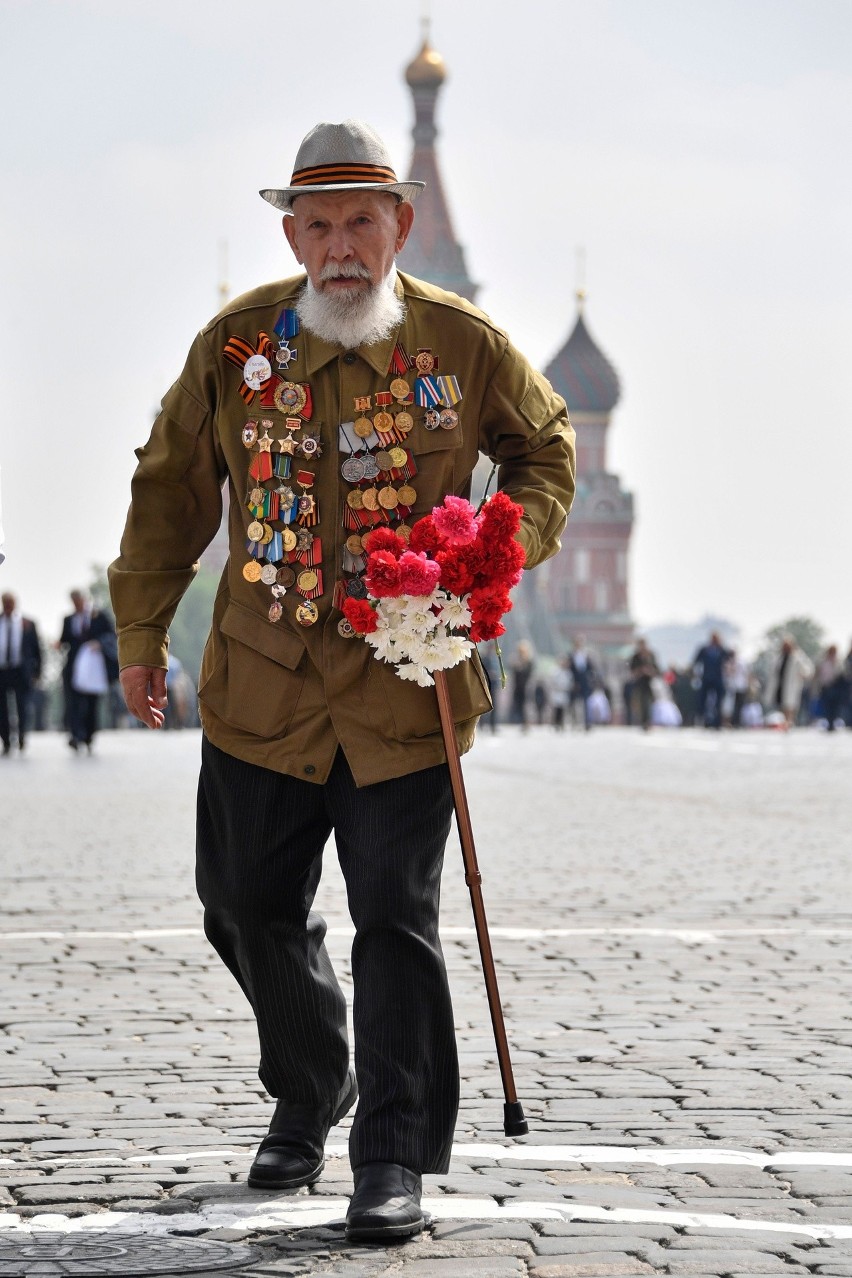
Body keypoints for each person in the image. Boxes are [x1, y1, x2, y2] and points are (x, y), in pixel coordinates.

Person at [107, 120, 575, 1242]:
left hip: (403, 685)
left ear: (400, 225)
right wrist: (139, 628)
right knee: (243, 907)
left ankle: (392, 1160)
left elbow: (546, 451)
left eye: (363, 220)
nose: (341, 246)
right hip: (262, 684)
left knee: (394, 922)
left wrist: (488, 554)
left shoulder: (463, 345)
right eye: (318, 224)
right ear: (292, 232)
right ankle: (315, 1083)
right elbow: (172, 484)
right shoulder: (234, 344)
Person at [58, 590, 119, 752]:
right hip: (75, 665)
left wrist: (99, 643)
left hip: (95, 666)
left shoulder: (99, 616)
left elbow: (112, 635)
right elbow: (64, 639)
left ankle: (89, 735)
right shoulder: (69, 619)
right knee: (73, 702)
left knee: (92, 702)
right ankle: (75, 734)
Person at [0, 592, 42, 755]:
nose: (8, 606)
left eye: (11, 603)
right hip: (2, 671)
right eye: (5, 603)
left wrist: (37, 672)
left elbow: (37, 651)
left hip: (20, 671)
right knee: (2, 709)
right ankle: (6, 740)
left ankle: (22, 736)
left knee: (22, 706)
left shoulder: (27, 623)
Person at [764, 636, 814, 728]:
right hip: (781, 685)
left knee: (791, 705)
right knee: (783, 704)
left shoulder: (798, 657)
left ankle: (789, 721)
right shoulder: (779, 657)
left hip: (792, 685)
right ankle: (786, 721)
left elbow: (808, 669)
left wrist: (803, 675)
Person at [691, 630, 731, 729]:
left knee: (719, 701)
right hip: (706, 677)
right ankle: (704, 720)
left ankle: (717, 722)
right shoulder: (704, 649)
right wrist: (695, 674)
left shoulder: (722, 650)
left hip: (718, 678)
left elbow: (729, 660)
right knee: (702, 700)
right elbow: (696, 661)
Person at [628, 637, 659, 731]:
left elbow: (657, 670)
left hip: (649, 683)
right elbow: (632, 671)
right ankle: (643, 722)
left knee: (648, 703)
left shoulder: (651, 655)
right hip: (639, 683)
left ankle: (648, 721)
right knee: (640, 703)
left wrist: (649, 671)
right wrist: (640, 671)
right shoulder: (636, 657)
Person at [568, 635, 595, 730]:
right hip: (575, 682)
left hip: (585, 682)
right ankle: (574, 722)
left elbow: (591, 669)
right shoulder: (571, 655)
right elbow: (570, 670)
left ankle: (587, 722)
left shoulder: (587, 655)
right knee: (573, 703)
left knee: (586, 703)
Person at [509, 640, 535, 730]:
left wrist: (521, 667)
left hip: (526, 686)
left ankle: (526, 723)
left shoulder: (529, 661)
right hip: (518, 686)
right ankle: (520, 722)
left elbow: (529, 673)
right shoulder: (516, 661)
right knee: (518, 705)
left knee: (526, 706)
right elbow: (513, 671)